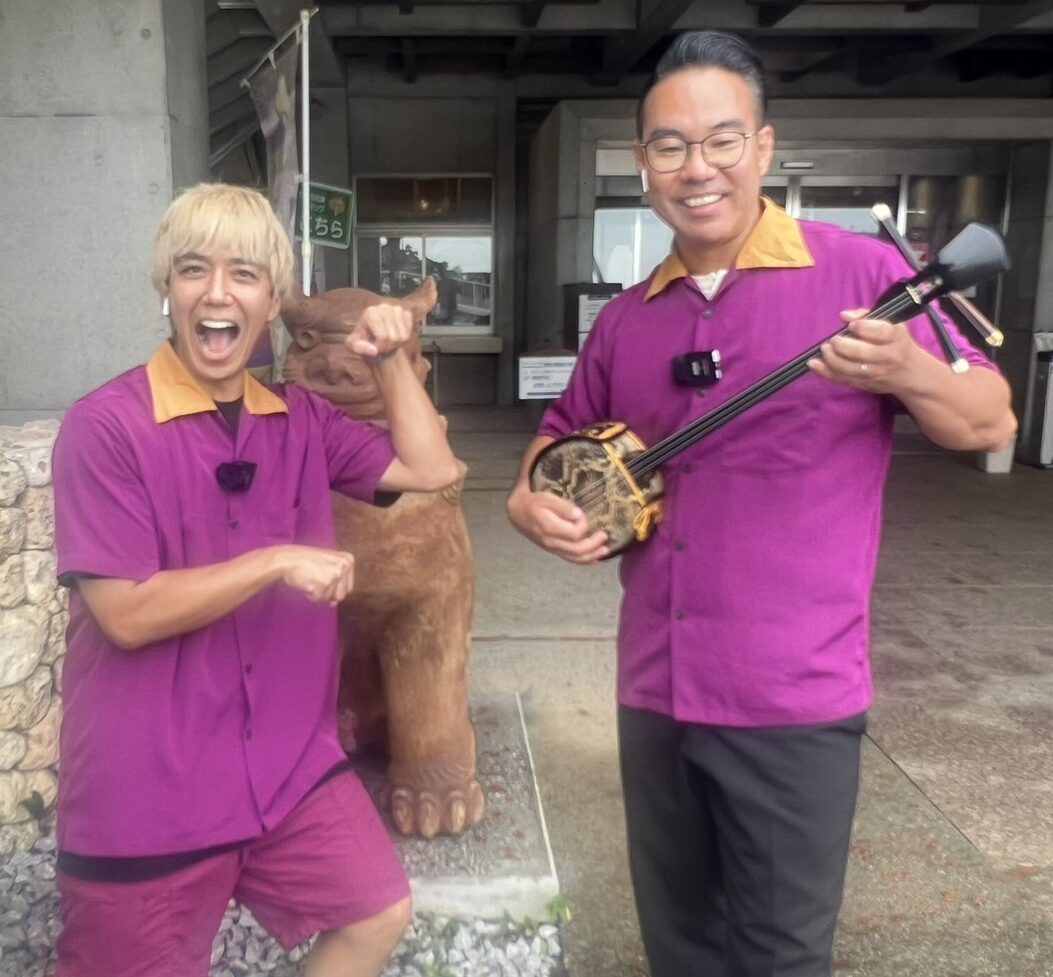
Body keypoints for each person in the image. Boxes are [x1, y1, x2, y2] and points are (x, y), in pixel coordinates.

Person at [507, 31, 1016, 977]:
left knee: (780, 954)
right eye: (669, 146)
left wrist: (906, 366)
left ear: (765, 149)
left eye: (721, 141)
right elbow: (554, 438)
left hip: (791, 698)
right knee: (680, 945)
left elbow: (988, 419)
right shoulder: (629, 318)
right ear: (641, 163)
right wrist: (528, 504)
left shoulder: (864, 278)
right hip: (653, 689)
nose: (695, 168)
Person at [51, 183, 461, 977]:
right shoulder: (106, 427)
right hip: (149, 788)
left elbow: (430, 465)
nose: (216, 292)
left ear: (271, 299)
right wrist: (273, 559)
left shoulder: (299, 420)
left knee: (377, 909)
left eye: (243, 273)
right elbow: (126, 614)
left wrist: (391, 361)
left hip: (282, 765)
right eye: (193, 269)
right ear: (165, 289)